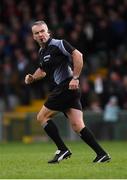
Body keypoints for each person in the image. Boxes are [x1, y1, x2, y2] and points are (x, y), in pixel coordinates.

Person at [25, 20, 111, 164]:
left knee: (42, 117)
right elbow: (43, 70)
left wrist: (75, 78)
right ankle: (102, 154)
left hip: (66, 86)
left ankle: (62, 149)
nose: (40, 35)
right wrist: (33, 77)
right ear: (33, 37)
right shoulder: (42, 51)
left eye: (42, 31)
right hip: (69, 90)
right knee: (78, 125)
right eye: (37, 33)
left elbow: (78, 55)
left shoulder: (59, 44)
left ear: (48, 32)